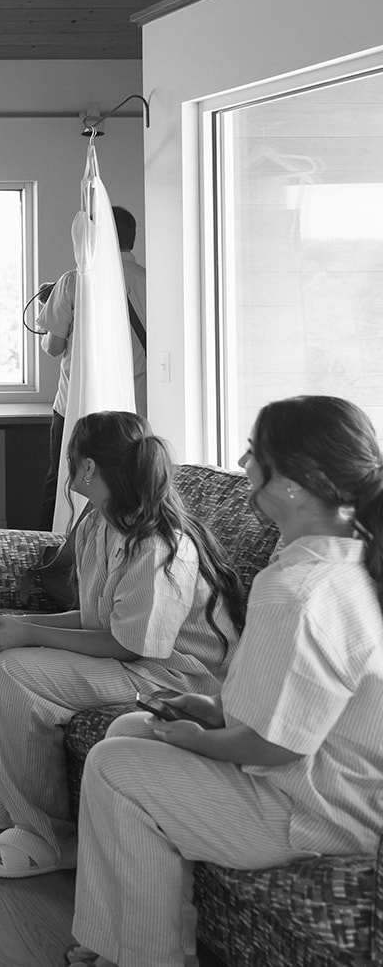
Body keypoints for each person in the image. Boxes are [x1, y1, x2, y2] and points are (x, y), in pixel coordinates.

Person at [68, 396, 383, 967]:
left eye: (254, 454)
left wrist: (199, 739)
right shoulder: (347, 563)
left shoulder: (302, 589)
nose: (241, 463)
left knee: (114, 767)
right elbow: (306, 705)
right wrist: (213, 713)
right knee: (130, 725)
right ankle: (123, 939)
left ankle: (143, 957)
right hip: (328, 784)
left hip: (317, 815)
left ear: (294, 484)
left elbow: (274, 743)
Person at [0, 411, 243, 881]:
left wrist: (33, 634)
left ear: (87, 469)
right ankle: (10, 792)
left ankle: (49, 837)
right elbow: (93, 619)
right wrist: (23, 624)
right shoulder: (99, 524)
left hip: (172, 676)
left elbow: (130, 645)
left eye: (70, 459)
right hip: (136, 656)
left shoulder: (160, 546)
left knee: (15, 672)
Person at [37, 205, 147, 530]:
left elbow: (53, 347)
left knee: (62, 482)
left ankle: (52, 555)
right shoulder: (152, 281)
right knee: (127, 481)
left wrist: (50, 310)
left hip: (76, 404)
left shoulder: (74, 281)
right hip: (133, 406)